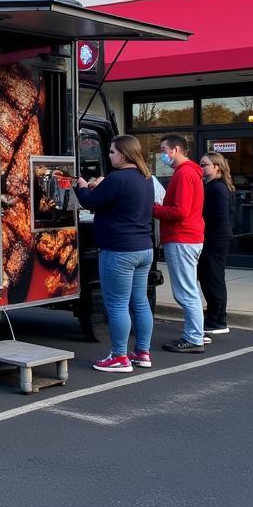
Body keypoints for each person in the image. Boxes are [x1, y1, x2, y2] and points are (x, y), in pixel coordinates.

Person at [73, 135, 155, 372]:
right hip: (143, 248)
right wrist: (98, 186)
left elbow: (91, 202)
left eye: (111, 152)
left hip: (119, 250)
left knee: (117, 304)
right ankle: (142, 352)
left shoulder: (117, 178)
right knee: (139, 302)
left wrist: (80, 185)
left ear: (124, 154)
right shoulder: (146, 178)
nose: (109, 156)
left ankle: (119, 356)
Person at [153, 134, 206, 353]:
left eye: (163, 149)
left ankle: (193, 338)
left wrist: (154, 209)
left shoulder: (184, 174)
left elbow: (180, 211)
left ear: (175, 150)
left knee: (185, 292)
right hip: (189, 237)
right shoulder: (191, 172)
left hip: (182, 238)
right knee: (189, 290)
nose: (161, 154)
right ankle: (196, 334)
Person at [198, 152, 234, 336]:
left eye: (205, 164)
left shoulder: (218, 188)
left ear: (216, 167)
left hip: (215, 239)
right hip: (213, 238)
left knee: (214, 279)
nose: (201, 167)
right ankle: (214, 316)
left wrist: (206, 234)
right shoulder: (212, 186)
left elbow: (220, 217)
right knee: (209, 278)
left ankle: (218, 320)